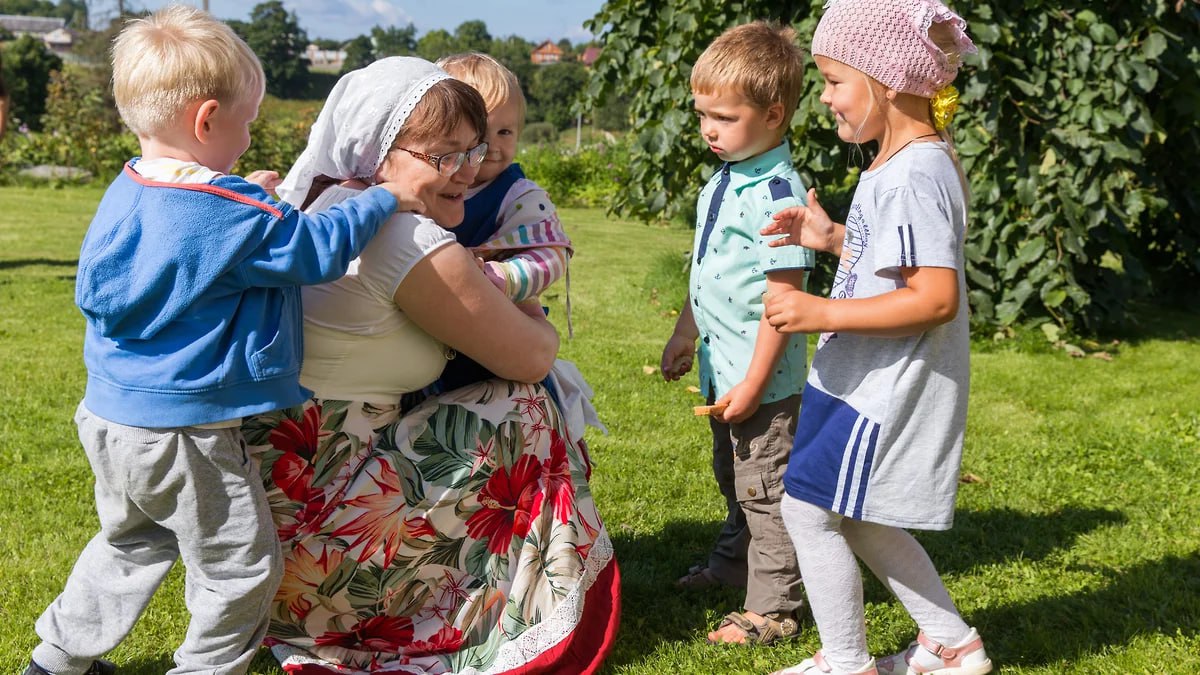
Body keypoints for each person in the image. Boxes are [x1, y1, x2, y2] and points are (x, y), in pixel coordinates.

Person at [22, 6, 418, 675]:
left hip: (112, 419)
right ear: (207, 120)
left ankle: (56, 659)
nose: (250, 133)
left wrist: (248, 195)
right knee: (239, 566)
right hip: (185, 434)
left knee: (131, 543)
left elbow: (210, 226)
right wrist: (386, 196)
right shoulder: (229, 217)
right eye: (248, 120)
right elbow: (315, 249)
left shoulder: (130, 189)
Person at [245, 56, 619, 675]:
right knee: (526, 404)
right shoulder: (405, 239)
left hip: (278, 538)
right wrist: (539, 318)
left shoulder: (321, 213)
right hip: (327, 561)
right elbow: (533, 356)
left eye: (472, 150)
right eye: (443, 156)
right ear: (378, 151)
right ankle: (489, 605)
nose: (469, 172)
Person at [759, 1, 990, 674]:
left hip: (882, 386)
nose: (823, 97)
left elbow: (934, 296)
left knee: (808, 511)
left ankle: (846, 661)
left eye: (833, 80)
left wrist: (819, 312)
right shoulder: (899, 162)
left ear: (886, 79)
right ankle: (952, 643)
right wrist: (829, 239)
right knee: (850, 514)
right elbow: (896, 264)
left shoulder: (916, 171)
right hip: (861, 377)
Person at [659, 21, 814, 645]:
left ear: (773, 113)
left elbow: (785, 300)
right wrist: (682, 333)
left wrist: (754, 382)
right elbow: (707, 272)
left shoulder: (779, 195)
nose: (707, 130)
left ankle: (775, 608)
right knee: (735, 477)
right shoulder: (723, 180)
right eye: (702, 115)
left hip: (764, 379)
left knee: (766, 490)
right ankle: (731, 565)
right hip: (724, 369)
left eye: (722, 117)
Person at [430, 52, 574, 391]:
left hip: (498, 352)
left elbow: (553, 255)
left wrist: (502, 277)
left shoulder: (518, 195)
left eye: (506, 131)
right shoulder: (428, 184)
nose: (492, 145)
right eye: (478, 131)